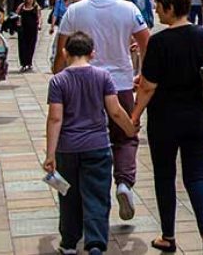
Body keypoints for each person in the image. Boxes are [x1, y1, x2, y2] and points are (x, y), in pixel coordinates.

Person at [54, 0, 151, 223]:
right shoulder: (128, 9)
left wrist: (59, 79)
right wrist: (143, 74)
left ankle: (86, 201)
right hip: (119, 84)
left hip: (81, 88)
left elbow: (61, 55)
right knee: (126, 136)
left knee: (86, 139)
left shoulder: (74, 11)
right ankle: (123, 182)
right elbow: (147, 43)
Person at [130, 0, 203, 255]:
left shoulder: (159, 41)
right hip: (199, 116)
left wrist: (134, 116)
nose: (155, 10)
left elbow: (148, 86)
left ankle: (168, 236)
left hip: (165, 120)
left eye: (158, 5)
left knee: (165, 176)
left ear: (170, 7)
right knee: (196, 176)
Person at [44, 32, 138, 255]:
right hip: (97, 146)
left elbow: (55, 118)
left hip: (67, 148)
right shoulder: (103, 77)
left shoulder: (58, 81)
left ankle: (68, 243)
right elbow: (114, 111)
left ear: (66, 53)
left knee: (69, 196)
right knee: (97, 196)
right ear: (92, 53)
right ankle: (95, 243)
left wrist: (50, 154)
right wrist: (129, 129)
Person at [16, 0, 41, 72]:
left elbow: (39, 17)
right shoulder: (21, 7)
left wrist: (39, 25)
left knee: (31, 45)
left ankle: (29, 63)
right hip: (22, 29)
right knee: (22, 46)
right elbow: (17, 15)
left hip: (33, 29)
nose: (29, 0)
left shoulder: (36, 7)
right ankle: (23, 63)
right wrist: (18, 23)